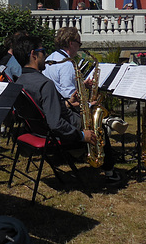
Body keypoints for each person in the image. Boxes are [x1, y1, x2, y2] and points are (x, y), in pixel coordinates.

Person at [14, 35, 121, 184]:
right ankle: (109, 171)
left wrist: (68, 104)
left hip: (37, 130)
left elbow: (41, 108)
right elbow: (56, 124)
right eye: (43, 51)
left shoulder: (19, 81)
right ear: (33, 54)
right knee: (100, 127)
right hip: (56, 134)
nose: (45, 55)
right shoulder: (45, 84)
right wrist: (82, 136)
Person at [42, 27, 84, 101]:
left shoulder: (50, 58)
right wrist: (90, 105)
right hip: (63, 108)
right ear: (71, 43)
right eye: (79, 44)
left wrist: (82, 85)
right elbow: (69, 95)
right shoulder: (66, 64)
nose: (78, 48)